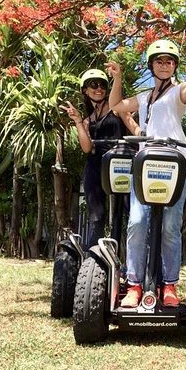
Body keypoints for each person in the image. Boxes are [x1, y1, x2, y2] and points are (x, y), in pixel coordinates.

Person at [107, 38, 186, 308]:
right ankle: (133, 284)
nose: (165, 65)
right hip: (146, 164)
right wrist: (118, 78)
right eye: (160, 61)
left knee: (170, 225)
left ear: (174, 65)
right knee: (136, 222)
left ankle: (168, 284)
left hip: (177, 164)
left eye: (170, 61)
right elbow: (116, 106)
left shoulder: (178, 93)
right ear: (152, 65)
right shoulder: (143, 97)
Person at [60, 68, 140, 250]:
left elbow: (135, 128)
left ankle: (133, 263)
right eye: (93, 85)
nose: (99, 89)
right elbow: (87, 147)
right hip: (97, 166)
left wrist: (145, 137)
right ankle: (93, 261)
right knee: (97, 215)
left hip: (122, 164)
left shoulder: (117, 110)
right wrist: (78, 121)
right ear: (85, 90)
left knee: (130, 214)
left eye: (102, 85)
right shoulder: (87, 120)